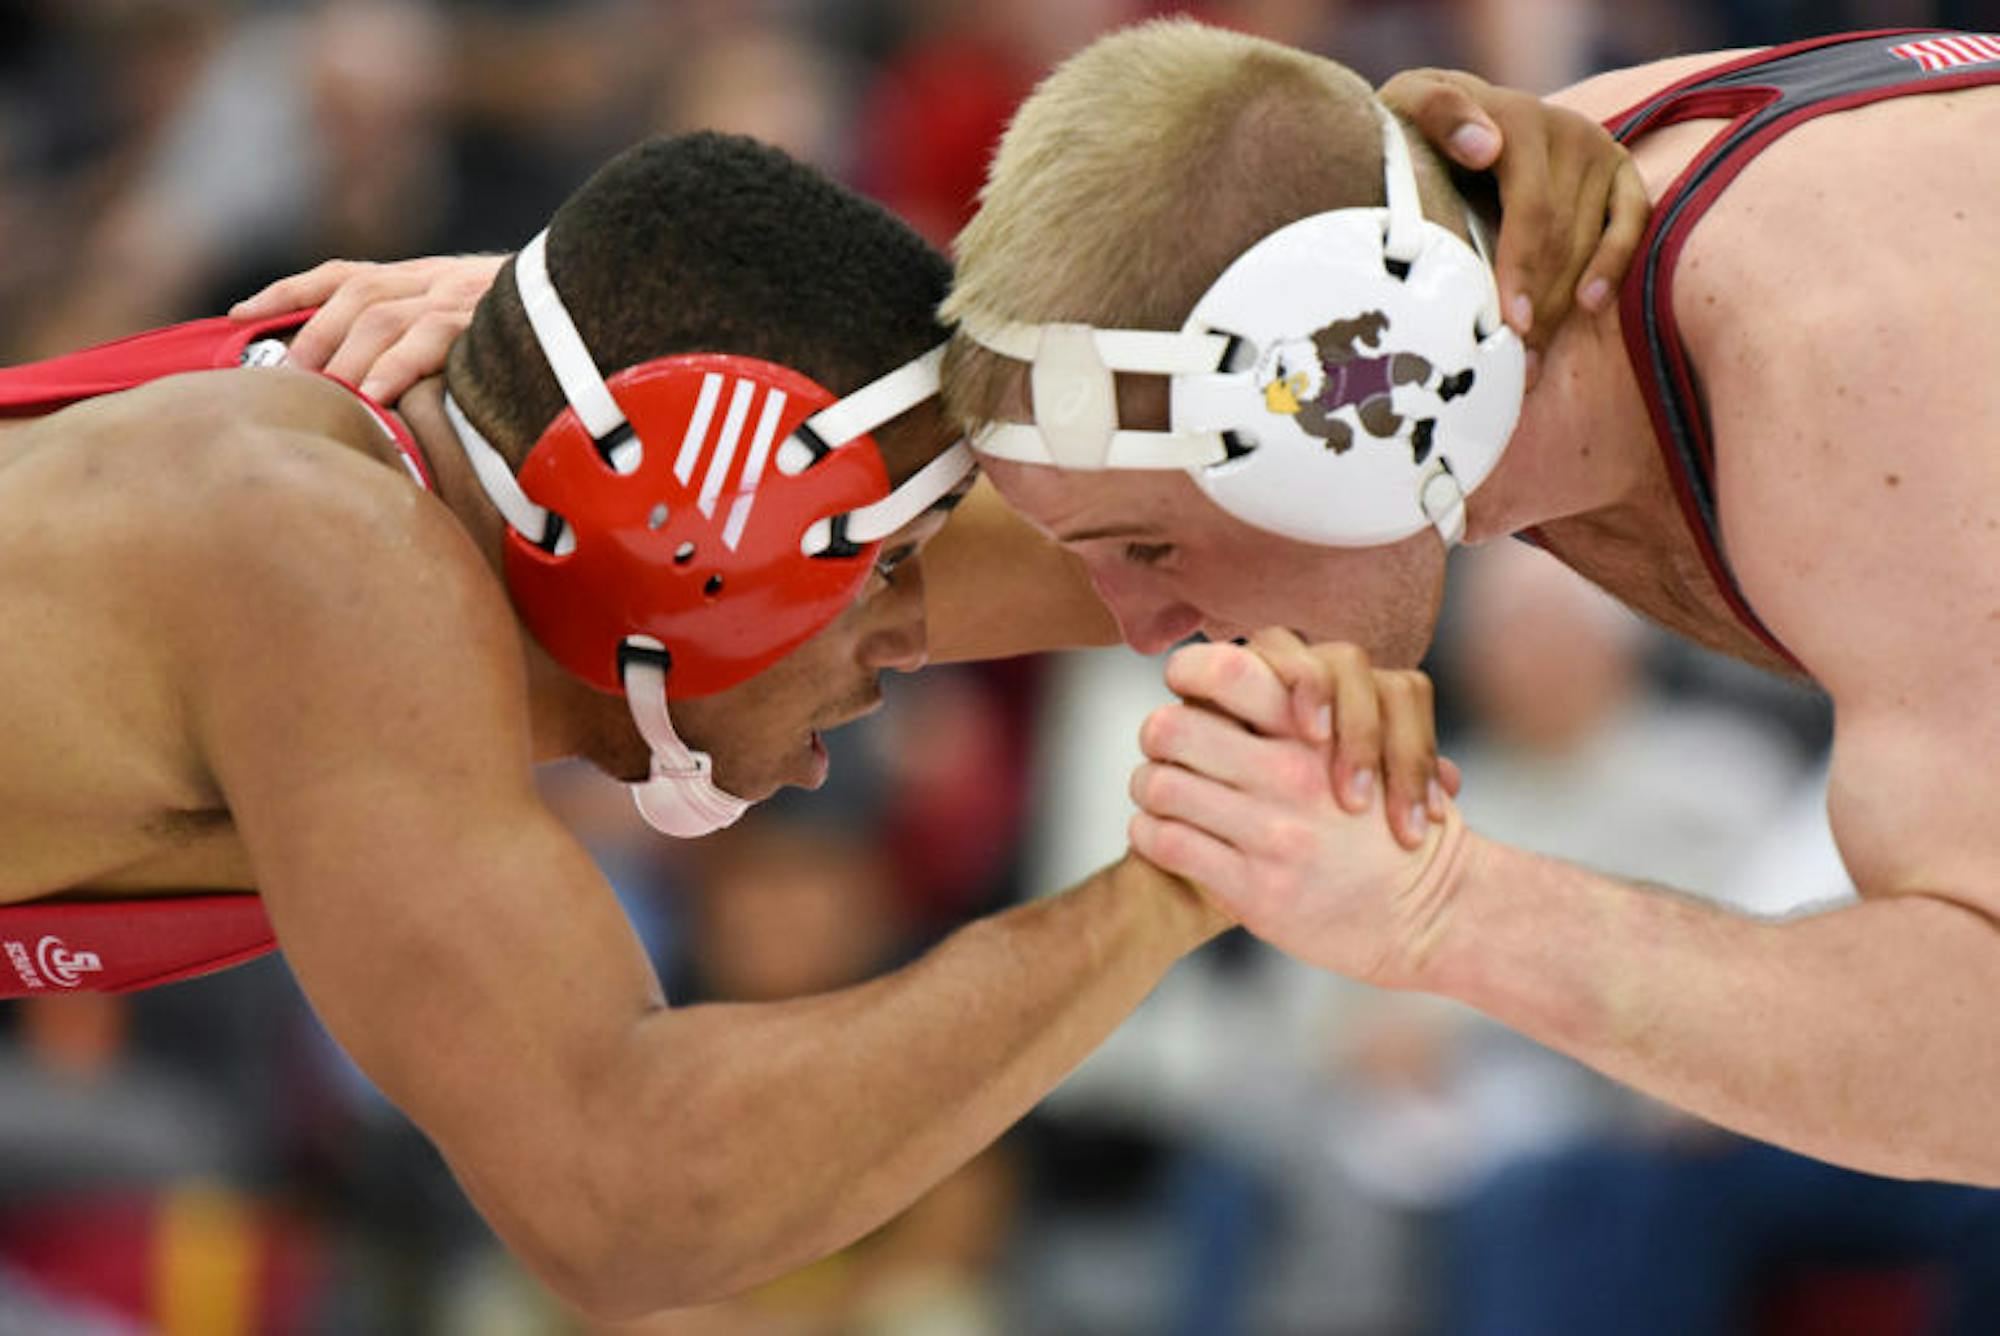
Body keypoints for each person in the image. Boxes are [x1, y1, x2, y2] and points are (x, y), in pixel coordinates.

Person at [158, 82, 1641, 1316]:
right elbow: (626, 1204)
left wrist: (1418, 238)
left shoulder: (383, 524)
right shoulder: (322, 563)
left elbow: (1298, 556)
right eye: (898, 573)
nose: (921, 645)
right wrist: (1169, 891)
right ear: (701, 516)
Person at [933, 21, 2000, 1186]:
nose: (1137, 630)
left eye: (1147, 546)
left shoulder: (1842, 351)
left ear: (1346, 409)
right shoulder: (1456, 314)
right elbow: (879, 580)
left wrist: (1447, 910)